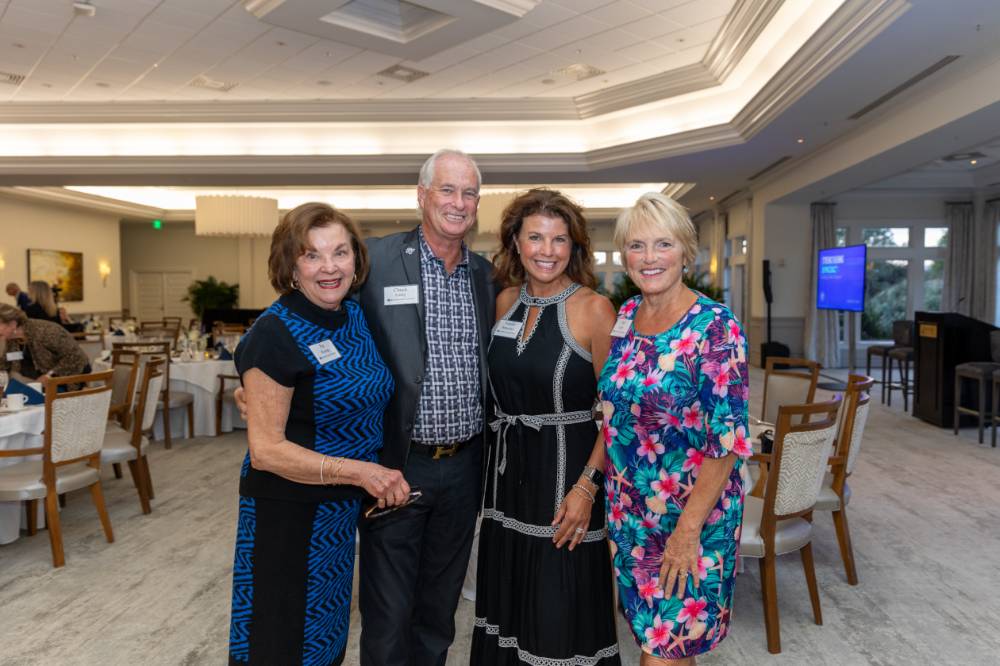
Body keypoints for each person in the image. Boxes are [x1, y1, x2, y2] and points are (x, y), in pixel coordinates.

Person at [227, 203, 410, 666]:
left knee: (323, 638)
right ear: (291, 265)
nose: (329, 267)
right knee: (279, 639)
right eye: (312, 255)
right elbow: (266, 450)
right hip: (286, 512)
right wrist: (362, 472)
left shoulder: (352, 316)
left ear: (355, 260)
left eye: (340, 252)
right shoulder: (274, 332)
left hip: (336, 510)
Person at [598, 193, 750, 665]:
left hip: (691, 518)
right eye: (637, 246)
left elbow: (727, 444)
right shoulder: (626, 317)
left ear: (686, 250)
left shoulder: (715, 327)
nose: (649, 258)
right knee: (658, 641)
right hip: (631, 515)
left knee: (662, 650)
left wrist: (687, 531)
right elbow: (613, 414)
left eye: (662, 244)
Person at [357, 149, 496, 666]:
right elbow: (315, 310)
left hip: (464, 466)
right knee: (389, 608)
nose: (458, 203)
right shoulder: (374, 261)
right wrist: (265, 374)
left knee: (439, 608)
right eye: (447, 190)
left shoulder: (487, 276)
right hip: (397, 461)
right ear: (421, 195)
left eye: (469, 193)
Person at [471, 189, 620, 665]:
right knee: (510, 603)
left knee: (558, 608)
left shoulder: (596, 309)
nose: (547, 250)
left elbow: (618, 414)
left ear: (574, 246)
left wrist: (587, 488)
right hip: (506, 485)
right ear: (515, 242)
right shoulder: (505, 302)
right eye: (535, 237)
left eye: (559, 239)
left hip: (567, 483)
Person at [0, 303, 90, 385]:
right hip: (35, 385)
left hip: (67, 381)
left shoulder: (46, 331)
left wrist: (50, 375)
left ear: (12, 324)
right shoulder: (11, 338)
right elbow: (5, 363)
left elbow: (75, 357)